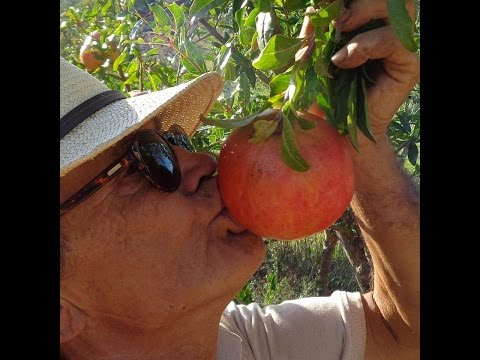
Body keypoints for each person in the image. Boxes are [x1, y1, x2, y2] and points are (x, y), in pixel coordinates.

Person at [60, 0, 419, 358]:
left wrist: (356, 132)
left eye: (173, 139)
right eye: (143, 161)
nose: (203, 161)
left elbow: (404, 330)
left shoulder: (253, 343)